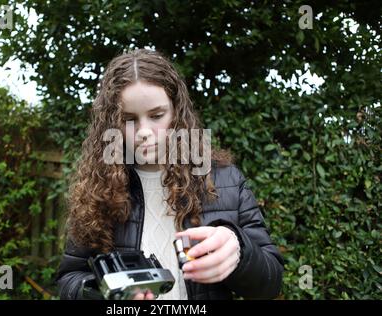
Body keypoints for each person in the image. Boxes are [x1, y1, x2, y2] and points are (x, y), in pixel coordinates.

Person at [56, 48, 283, 300]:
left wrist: (240, 251)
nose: (144, 131)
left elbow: (270, 284)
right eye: (129, 119)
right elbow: (69, 279)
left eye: (156, 115)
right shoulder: (97, 190)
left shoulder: (225, 180)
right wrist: (106, 293)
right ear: (112, 123)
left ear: (177, 112)